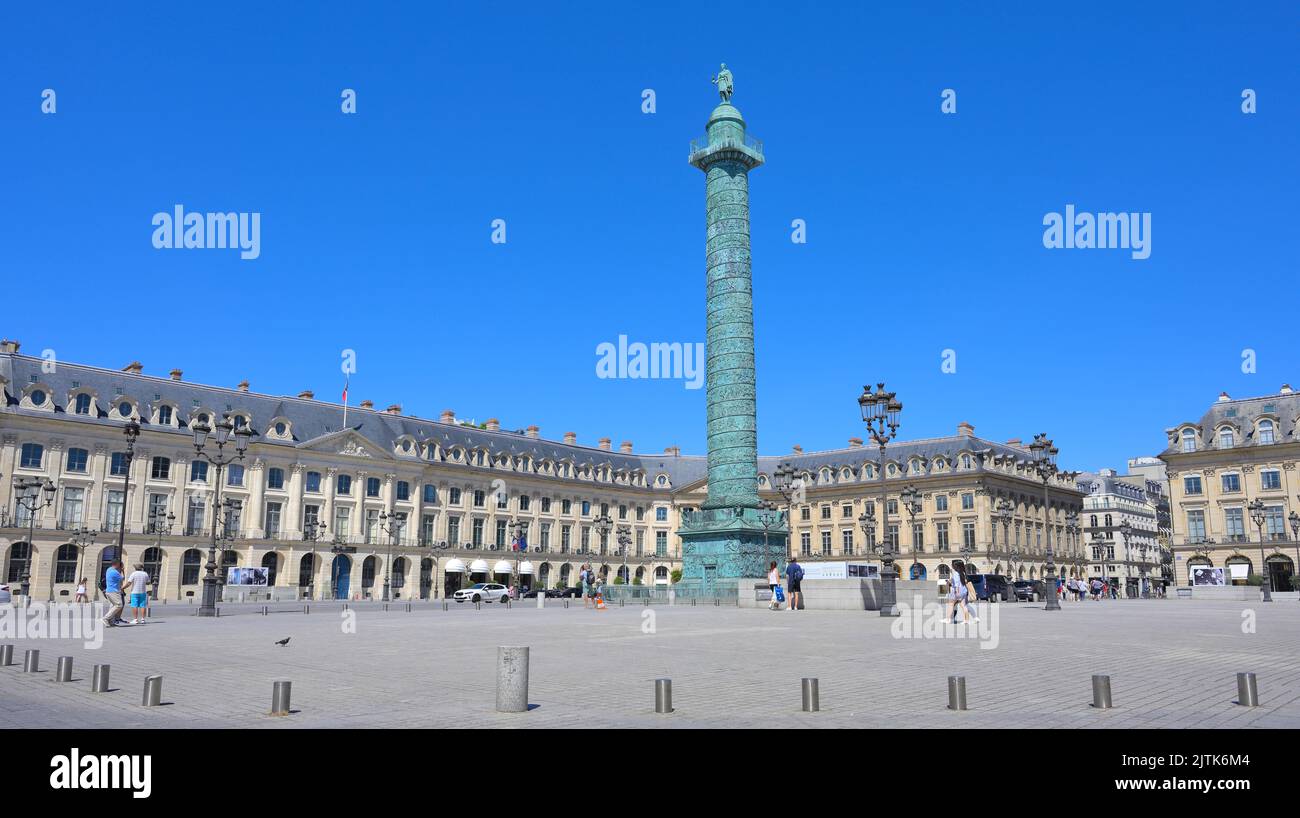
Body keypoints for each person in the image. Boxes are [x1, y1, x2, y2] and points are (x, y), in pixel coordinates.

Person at [101, 559, 126, 628]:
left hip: (108, 591)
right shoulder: (115, 572)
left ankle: (111, 621)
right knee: (119, 605)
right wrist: (123, 570)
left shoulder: (109, 569)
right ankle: (106, 618)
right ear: (117, 564)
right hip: (114, 591)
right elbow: (123, 579)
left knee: (113, 605)